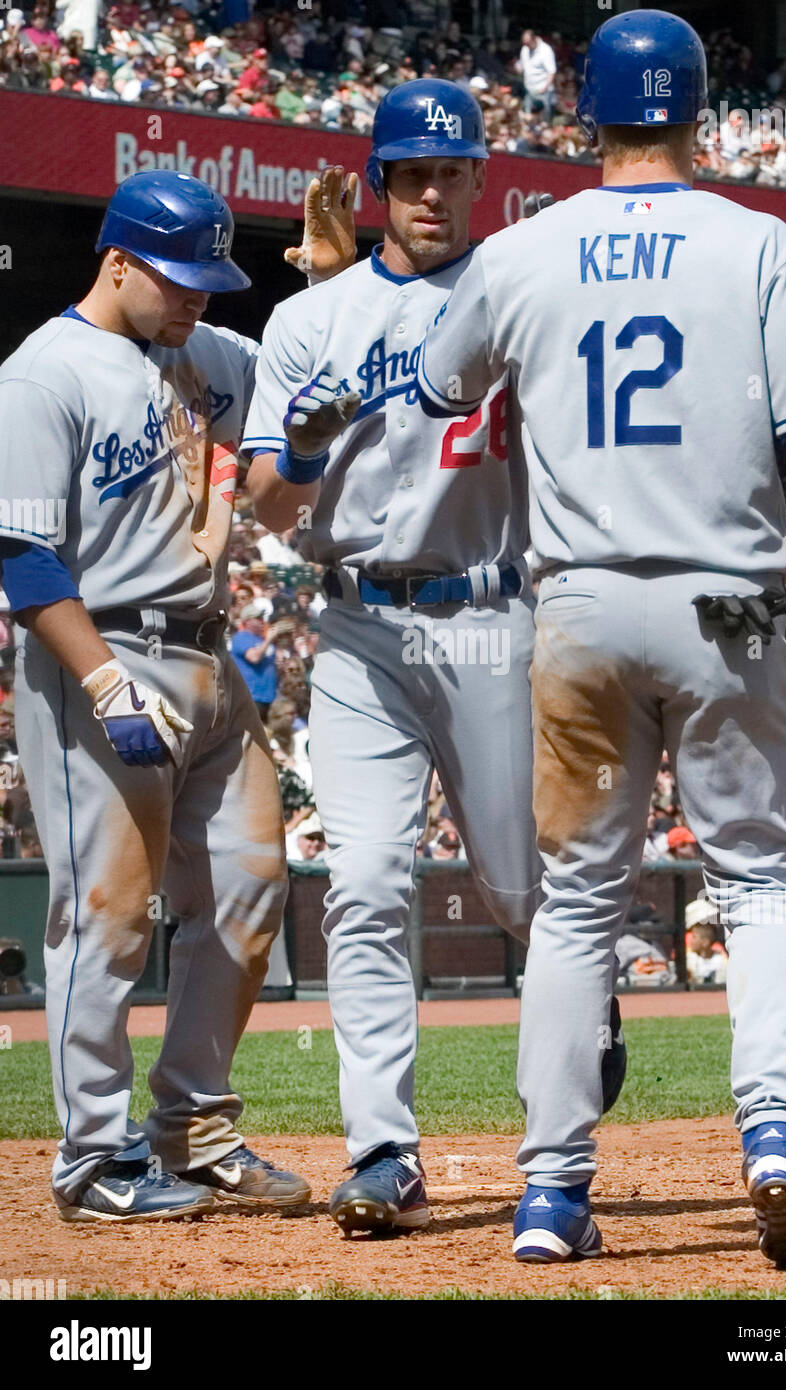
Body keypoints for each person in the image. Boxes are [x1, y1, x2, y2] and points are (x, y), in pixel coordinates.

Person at [418, 9, 786, 1267]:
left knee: (580, 906)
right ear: (697, 109)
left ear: (589, 112)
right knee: (757, 880)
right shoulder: (757, 242)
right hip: (726, 606)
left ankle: (551, 1192)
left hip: (580, 609)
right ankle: (776, 1134)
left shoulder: (524, 250)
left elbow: (437, 384)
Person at [242, 79, 626, 1238]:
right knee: (362, 882)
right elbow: (264, 505)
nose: (430, 192)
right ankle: (384, 1152)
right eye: (409, 173)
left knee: (523, 893)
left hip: (494, 616)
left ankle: (586, 1020)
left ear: (477, 181)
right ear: (381, 185)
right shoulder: (309, 319)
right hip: (357, 622)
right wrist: (300, 443)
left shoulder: (521, 295)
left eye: (449, 172)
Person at [0, 168, 359, 1222]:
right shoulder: (42, 374)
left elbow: (305, 383)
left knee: (250, 888)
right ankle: (92, 1158)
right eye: (180, 278)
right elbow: (21, 556)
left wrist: (334, 287)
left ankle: (193, 1125)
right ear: (117, 261)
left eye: (212, 278)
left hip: (211, 660)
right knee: (107, 914)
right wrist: (103, 679)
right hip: (99, 653)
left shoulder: (206, 353)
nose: (201, 296)